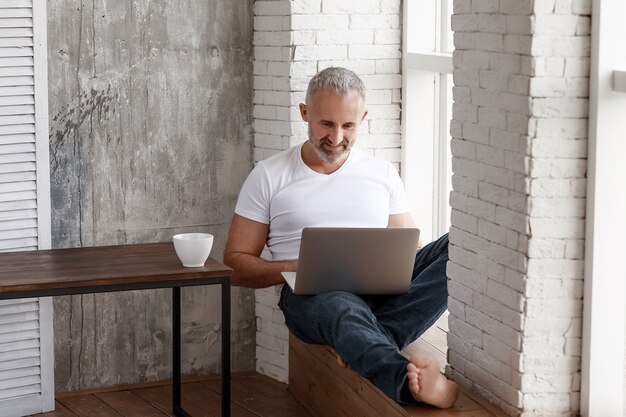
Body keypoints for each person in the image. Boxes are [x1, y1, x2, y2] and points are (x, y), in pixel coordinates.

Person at [224, 67, 459, 408]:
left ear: (362, 118)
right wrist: (302, 266)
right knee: (341, 307)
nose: (336, 138)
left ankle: (367, 338)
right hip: (313, 297)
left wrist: (392, 265)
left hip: (379, 292)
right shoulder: (269, 175)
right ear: (305, 113)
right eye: (325, 124)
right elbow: (235, 265)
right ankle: (410, 386)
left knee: (460, 245)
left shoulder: (381, 173)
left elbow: (411, 250)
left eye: (348, 126)